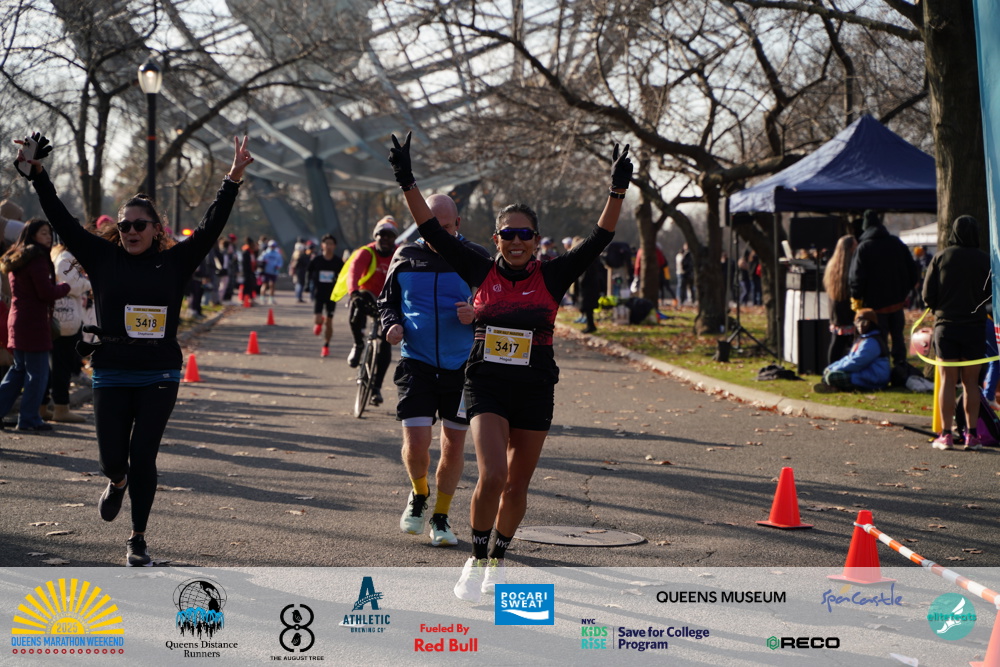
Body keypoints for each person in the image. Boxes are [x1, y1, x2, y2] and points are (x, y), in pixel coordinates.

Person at [388, 131, 632, 601]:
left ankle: (496, 562)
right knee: (493, 477)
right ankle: (475, 558)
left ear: (536, 241)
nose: (516, 242)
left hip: (535, 388)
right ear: (496, 239)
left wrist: (617, 190)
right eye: (508, 234)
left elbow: (600, 238)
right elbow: (432, 231)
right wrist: (406, 180)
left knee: (517, 487)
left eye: (525, 235)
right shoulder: (480, 269)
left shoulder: (554, 274)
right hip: (487, 385)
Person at [16, 132, 253, 566]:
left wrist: (232, 178)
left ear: (156, 229)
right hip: (111, 368)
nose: (129, 231)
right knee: (112, 460)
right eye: (124, 226)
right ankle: (117, 481)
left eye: (139, 225)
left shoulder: (176, 260)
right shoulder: (102, 257)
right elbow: (61, 217)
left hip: (159, 371)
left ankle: (137, 539)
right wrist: (38, 174)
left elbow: (211, 225)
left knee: (144, 455)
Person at [379, 194, 489, 547]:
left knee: (453, 446)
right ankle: (419, 493)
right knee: (416, 443)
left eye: (445, 228)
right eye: (430, 228)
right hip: (417, 362)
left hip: (462, 366)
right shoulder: (405, 256)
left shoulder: (475, 256)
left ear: (458, 224)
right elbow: (387, 302)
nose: (437, 236)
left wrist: (477, 314)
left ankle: (441, 516)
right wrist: (391, 324)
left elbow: (498, 307)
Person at [922, 215, 991, 451]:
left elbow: (927, 295)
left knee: (947, 382)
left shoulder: (941, 257)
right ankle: (972, 435)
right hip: (974, 326)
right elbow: (992, 293)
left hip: (946, 326)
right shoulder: (985, 260)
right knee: (971, 383)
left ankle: (946, 434)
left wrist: (938, 307)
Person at [0, 219, 70, 431]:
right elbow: (45, 292)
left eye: (49, 233)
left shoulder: (18, 257)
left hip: (18, 320)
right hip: (33, 323)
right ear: (32, 235)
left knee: (18, 371)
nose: (48, 237)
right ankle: (29, 418)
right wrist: (64, 287)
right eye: (43, 233)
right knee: (37, 374)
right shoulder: (37, 258)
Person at [848, 209, 921, 369]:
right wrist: (904, 292)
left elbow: (856, 277)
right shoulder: (896, 243)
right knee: (898, 338)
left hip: (874, 306)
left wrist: (856, 297)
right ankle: (901, 368)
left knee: (878, 339)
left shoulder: (864, 247)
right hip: (897, 303)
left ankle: (882, 369)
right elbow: (913, 270)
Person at [344, 216, 397, 406]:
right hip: (369, 296)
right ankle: (358, 344)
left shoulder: (400, 254)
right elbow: (353, 272)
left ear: (394, 238)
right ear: (376, 236)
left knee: (386, 343)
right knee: (357, 304)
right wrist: (353, 293)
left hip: (389, 302)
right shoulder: (366, 252)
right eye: (382, 235)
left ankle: (376, 388)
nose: (385, 239)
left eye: (390, 235)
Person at [47, 238, 91, 423]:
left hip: (62, 318)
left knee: (56, 365)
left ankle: (46, 406)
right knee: (62, 365)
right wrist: (87, 283)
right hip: (66, 320)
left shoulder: (58, 255)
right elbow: (71, 285)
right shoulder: (66, 258)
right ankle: (61, 407)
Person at [812, 309, 891, 394]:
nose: (860, 325)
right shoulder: (862, 339)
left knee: (832, 377)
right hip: (862, 374)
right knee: (827, 374)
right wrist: (831, 367)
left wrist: (835, 370)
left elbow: (858, 362)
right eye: (857, 322)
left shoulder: (872, 341)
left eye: (864, 322)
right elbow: (848, 358)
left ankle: (835, 387)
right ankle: (835, 387)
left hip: (874, 378)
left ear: (872, 324)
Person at [822, 235, 858, 366]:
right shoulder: (850, 266)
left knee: (837, 341)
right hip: (847, 309)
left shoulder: (832, 265)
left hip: (836, 308)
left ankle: (831, 367)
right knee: (845, 343)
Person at [307, 234, 344, 357]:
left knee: (329, 322)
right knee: (318, 320)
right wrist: (307, 285)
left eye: (331, 244)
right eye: (326, 243)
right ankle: (319, 321)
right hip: (319, 293)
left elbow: (343, 276)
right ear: (322, 245)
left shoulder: (338, 261)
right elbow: (309, 271)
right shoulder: (317, 260)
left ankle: (326, 346)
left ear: (334, 246)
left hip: (332, 295)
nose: (328, 246)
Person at [258, 240, 283, 305]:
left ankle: (271, 299)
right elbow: (259, 259)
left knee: (272, 285)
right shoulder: (265, 253)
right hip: (266, 271)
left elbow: (280, 262)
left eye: (273, 246)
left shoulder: (277, 254)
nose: (272, 247)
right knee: (264, 285)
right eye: (271, 246)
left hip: (274, 272)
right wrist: (263, 261)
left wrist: (278, 266)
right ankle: (262, 298)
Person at [240, 236, 258, 304]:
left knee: (251, 285)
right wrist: (247, 272)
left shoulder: (252, 252)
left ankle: (251, 298)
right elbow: (245, 264)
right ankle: (243, 299)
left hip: (251, 272)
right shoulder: (246, 252)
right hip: (247, 272)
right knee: (246, 286)